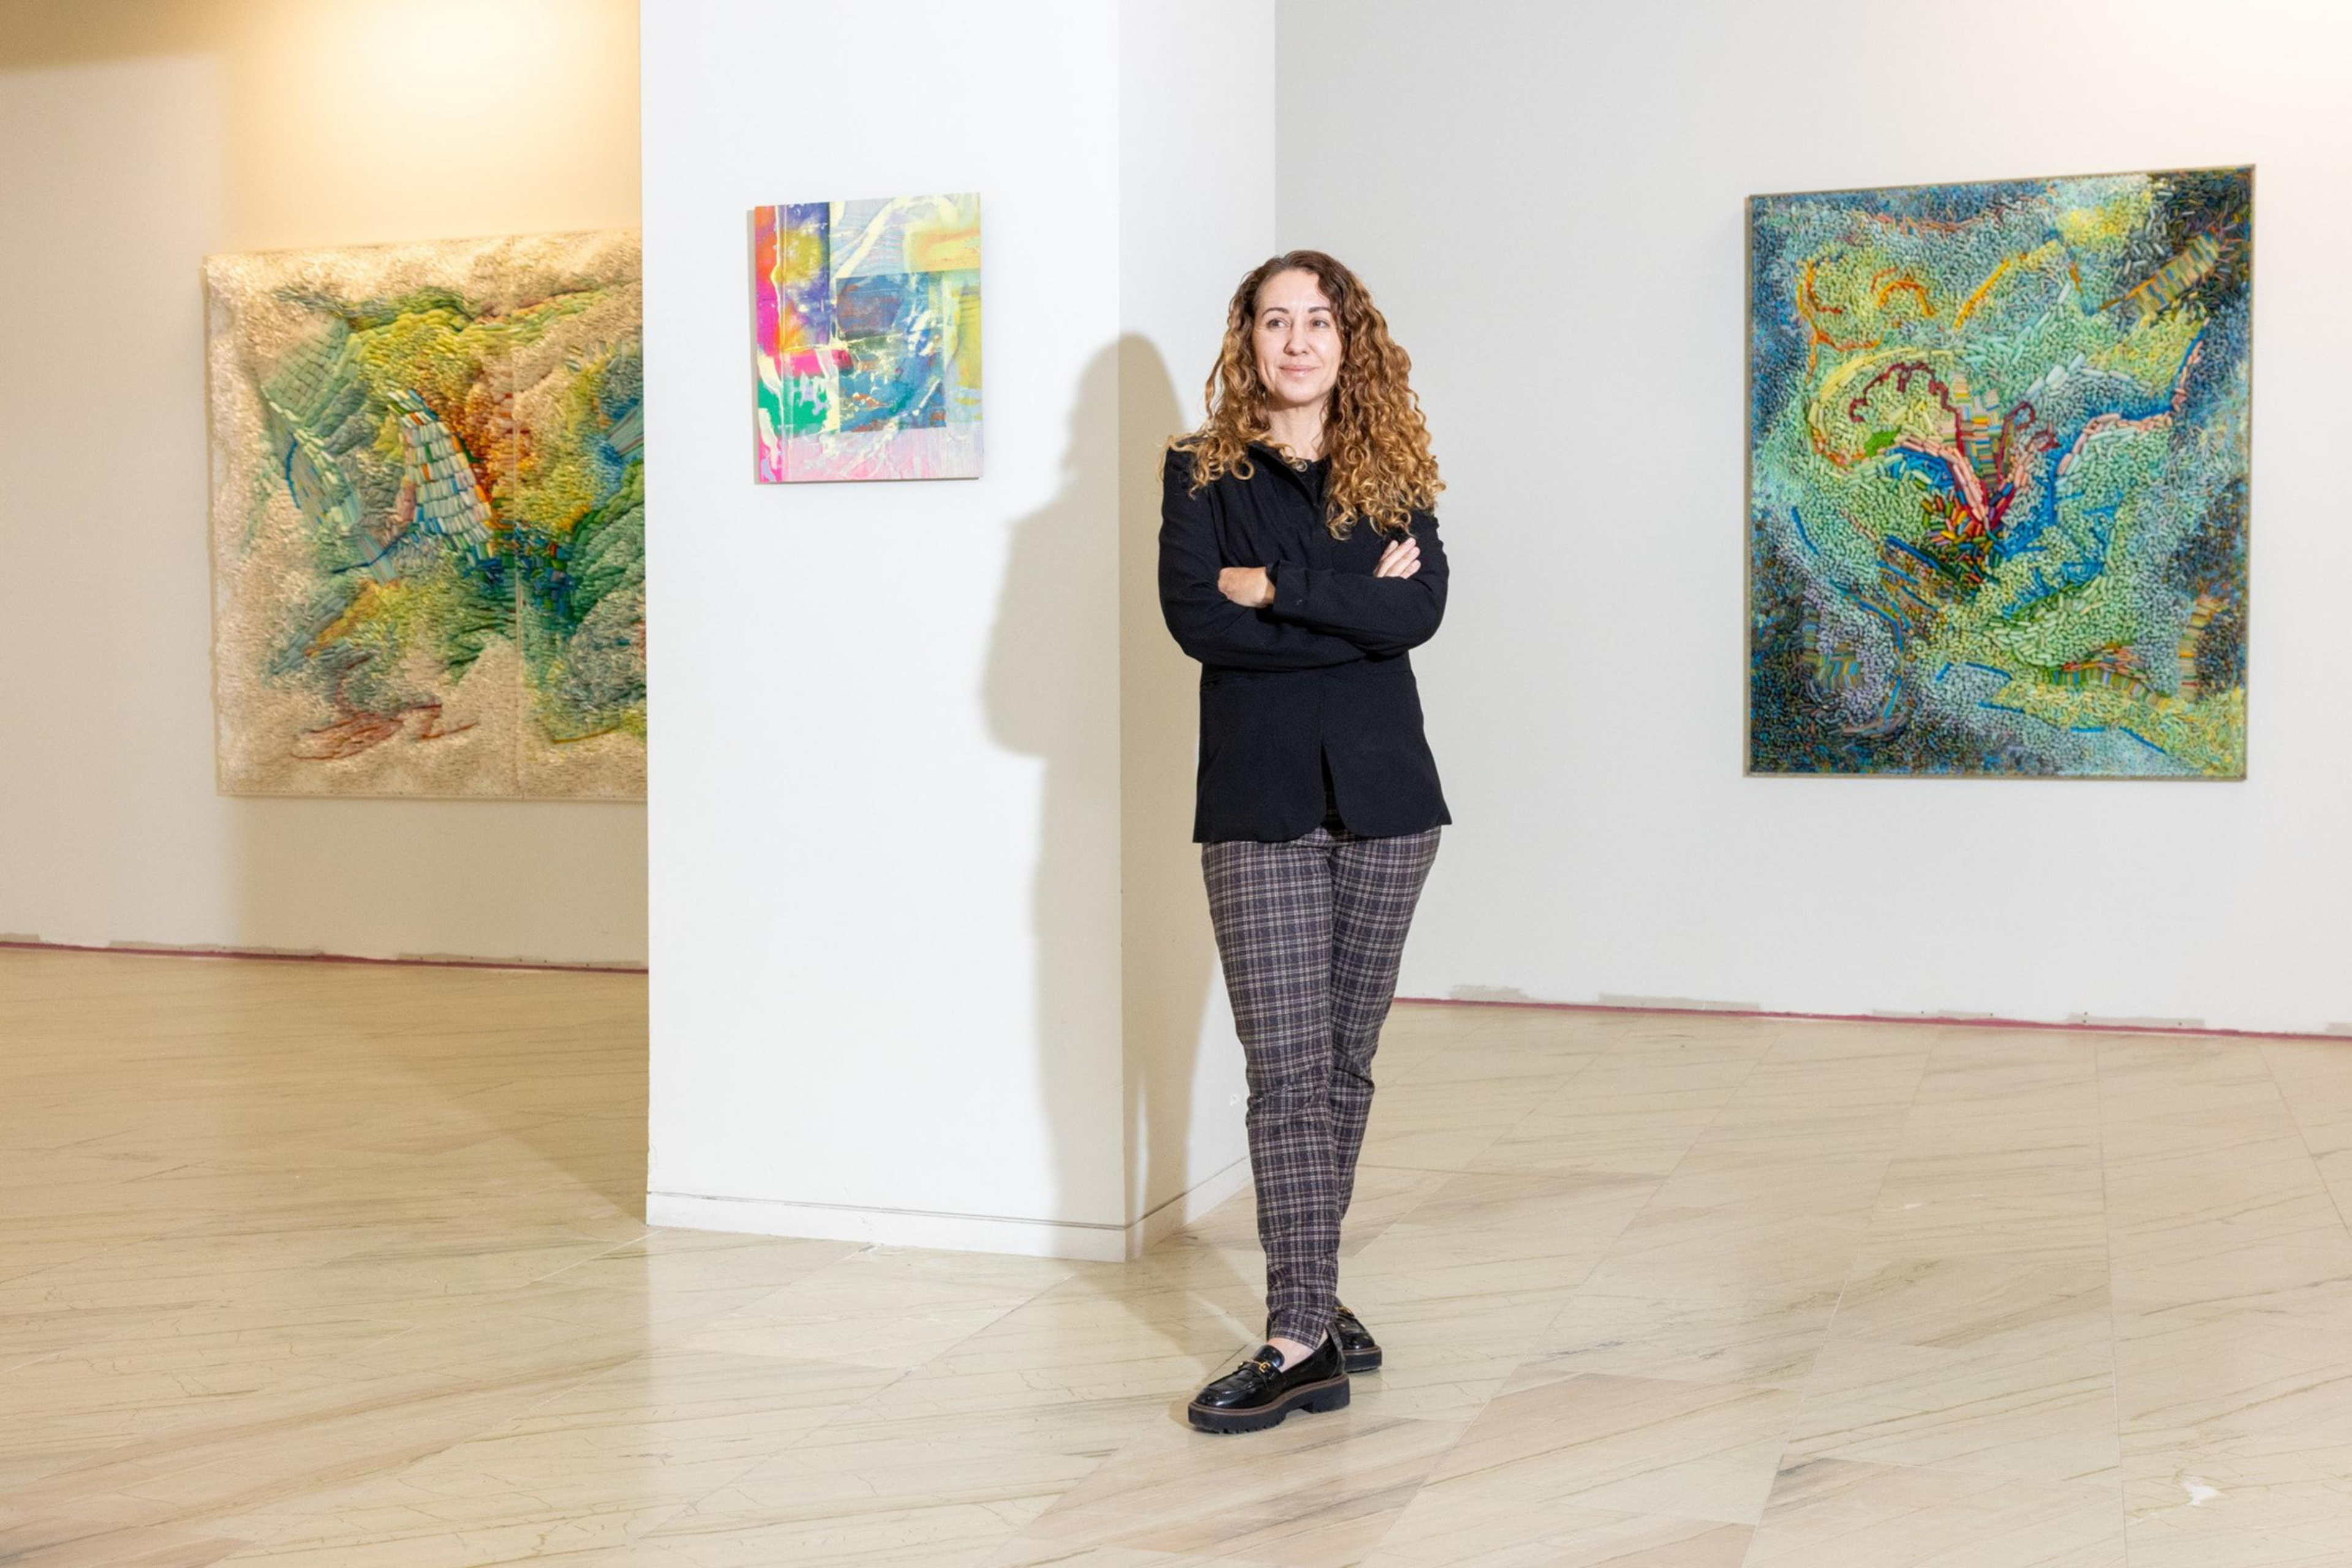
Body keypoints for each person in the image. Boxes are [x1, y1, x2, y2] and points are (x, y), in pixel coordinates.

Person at [1158, 250, 1450, 1434]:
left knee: (1341, 1068)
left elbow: (1419, 613)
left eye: (1316, 321)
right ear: (1247, 339)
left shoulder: (1396, 474)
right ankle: (1297, 1341)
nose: (1295, 342)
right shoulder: (1198, 472)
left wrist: (1274, 589)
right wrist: (1346, 598)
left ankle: (1313, 1294)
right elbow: (1195, 623)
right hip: (1260, 805)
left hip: (1389, 803)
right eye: (1274, 321)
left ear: (1348, 340)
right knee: (1285, 1076)